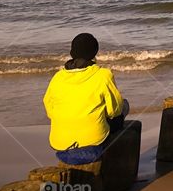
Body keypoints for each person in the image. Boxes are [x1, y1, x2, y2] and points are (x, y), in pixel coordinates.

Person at [43, 33, 129, 164]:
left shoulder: (57, 77)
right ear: (95, 52)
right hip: (94, 146)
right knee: (124, 106)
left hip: (61, 148)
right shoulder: (103, 75)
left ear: (72, 53)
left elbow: (49, 110)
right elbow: (115, 111)